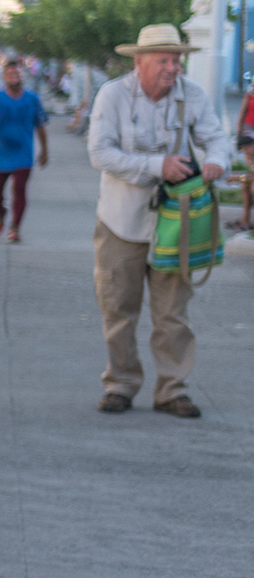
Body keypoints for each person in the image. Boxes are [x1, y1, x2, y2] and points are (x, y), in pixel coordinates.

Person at [86, 24, 231, 419]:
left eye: (177, 60)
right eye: (163, 60)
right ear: (140, 62)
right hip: (120, 220)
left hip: (177, 222)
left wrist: (217, 160)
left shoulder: (193, 94)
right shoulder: (113, 95)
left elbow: (217, 138)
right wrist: (157, 165)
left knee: (173, 312)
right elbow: (100, 153)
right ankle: (120, 384)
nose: (172, 68)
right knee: (118, 308)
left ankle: (172, 390)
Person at [0, 59, 49, 243]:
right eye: (10, 74)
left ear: (22, 75)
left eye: (17, 73)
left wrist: (44, 151)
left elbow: (41, 126)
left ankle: (15, 228)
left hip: (23, 154)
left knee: (19, 190)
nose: (14, 77)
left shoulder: (32, 99)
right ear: (4, 77)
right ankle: (1, 212)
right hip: (0, 154)